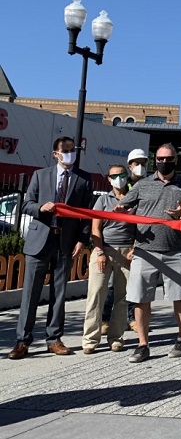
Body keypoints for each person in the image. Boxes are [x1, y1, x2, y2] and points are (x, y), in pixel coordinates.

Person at [8, 136, 93, 359]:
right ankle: (22, 341)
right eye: (65, 150)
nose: (70, 154)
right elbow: (26, 203)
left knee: (59, 293)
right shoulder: (40, 175)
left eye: (73, 150)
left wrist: (82, 240)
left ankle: (54, 339)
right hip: (40, 241)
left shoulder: (84, 179)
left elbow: (87, 214)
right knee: (30, 293)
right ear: (55, 153)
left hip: (65, 242)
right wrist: (40, 208)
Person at [115, 143, 181, 364]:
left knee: (180, 297)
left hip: (175, 250)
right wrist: (121, 210)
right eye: (160, 158)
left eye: (169, 158)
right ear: (154, 159)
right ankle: (142, 344)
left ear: (176, 160)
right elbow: (124, 205)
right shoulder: (143, 184)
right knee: (140, 299)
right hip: (144, 251)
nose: (164, 162)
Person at [81, 164, 136, 354]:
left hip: (127, 251)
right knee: (96, 294)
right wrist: (99, 251)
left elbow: (141, 227)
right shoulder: (102, 200)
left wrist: (133, 248)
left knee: (123, 297)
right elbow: (96, 228)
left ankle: (116, 337)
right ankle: (90, 339)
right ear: (108, 178)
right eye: (114, 175)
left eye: (121, 175)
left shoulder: (133, 200)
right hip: (104, 249)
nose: (118, 178)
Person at [102, 148, 148, 334]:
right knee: (113, 284)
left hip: (138, 241)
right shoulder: (124, 186)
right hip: (118, 244)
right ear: (129, 166)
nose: (140, 167)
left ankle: (132, 319)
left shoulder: (148, 184)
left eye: (143, 163)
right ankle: (105, 318)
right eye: (136, 163)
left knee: (135, 283)